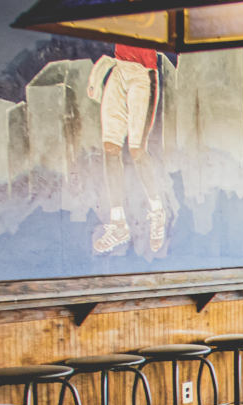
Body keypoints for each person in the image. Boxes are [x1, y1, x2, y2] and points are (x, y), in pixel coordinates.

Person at [88, 43, 168, 254]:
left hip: (142, 73)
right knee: (110, 148)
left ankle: (157, 210)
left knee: (136, 150)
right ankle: (118, 223)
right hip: (119, 68)